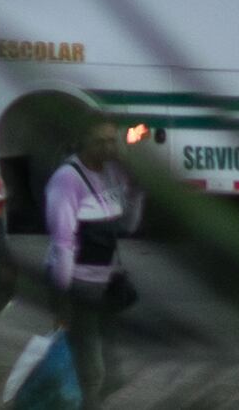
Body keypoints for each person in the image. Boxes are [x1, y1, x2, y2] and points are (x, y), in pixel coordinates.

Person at [41, 116, 138, 400]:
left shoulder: (112, 173)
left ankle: (86, 398)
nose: (108, 148)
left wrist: (136, 189)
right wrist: (63, 294)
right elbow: (62, 242)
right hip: (76, 280)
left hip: (106, 281)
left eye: (112, 141)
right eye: (100, 142)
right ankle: (86, 401)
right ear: (84, 141)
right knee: (88, 362)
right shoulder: (67, 179)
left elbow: (128, 227)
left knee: (110, 364)